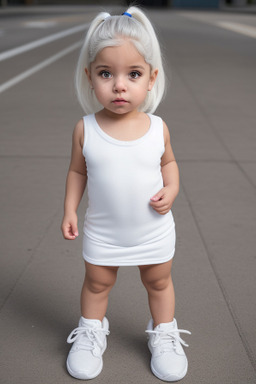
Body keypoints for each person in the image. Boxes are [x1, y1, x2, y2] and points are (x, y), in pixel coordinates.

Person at [61, 6, 190, 382]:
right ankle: (90, 331)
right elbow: (76, 170)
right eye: (106, 73)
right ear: (90, 78)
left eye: (132, 74)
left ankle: (164, 333)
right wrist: (69, 207)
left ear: (151, 78)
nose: (119, 85)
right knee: (97, 283)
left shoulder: (157, 127)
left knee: (159, 282)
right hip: (104, 232)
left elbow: (169, 163)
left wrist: (173, 187)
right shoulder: (85, 128)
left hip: (153, 231)